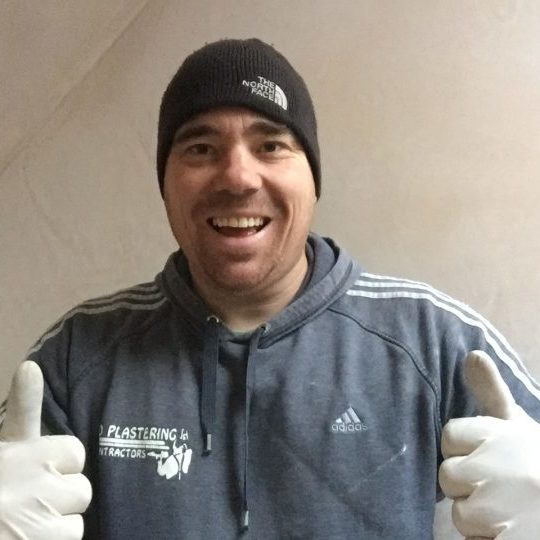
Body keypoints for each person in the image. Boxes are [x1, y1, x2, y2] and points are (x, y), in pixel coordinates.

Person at [1, 38, 540, 540]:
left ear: (312, 179)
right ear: (165, 184)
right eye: (201, 148)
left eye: (271, 145)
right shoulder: (78, 357)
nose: (237, 177)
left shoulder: (433, 341)